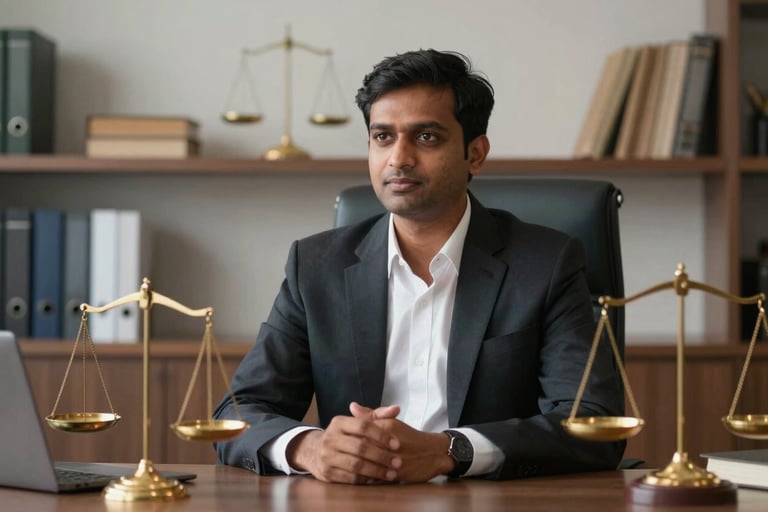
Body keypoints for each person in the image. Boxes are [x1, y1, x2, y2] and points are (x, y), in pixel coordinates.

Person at [213, 49, 625, 484]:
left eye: (426, 137)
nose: (399, 158)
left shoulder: (545, 263)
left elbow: (593, 423)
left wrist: (450, 451)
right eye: (383, 137)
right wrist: (310, 448)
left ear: (475, 154)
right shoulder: (316, 266)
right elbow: (238, 414)